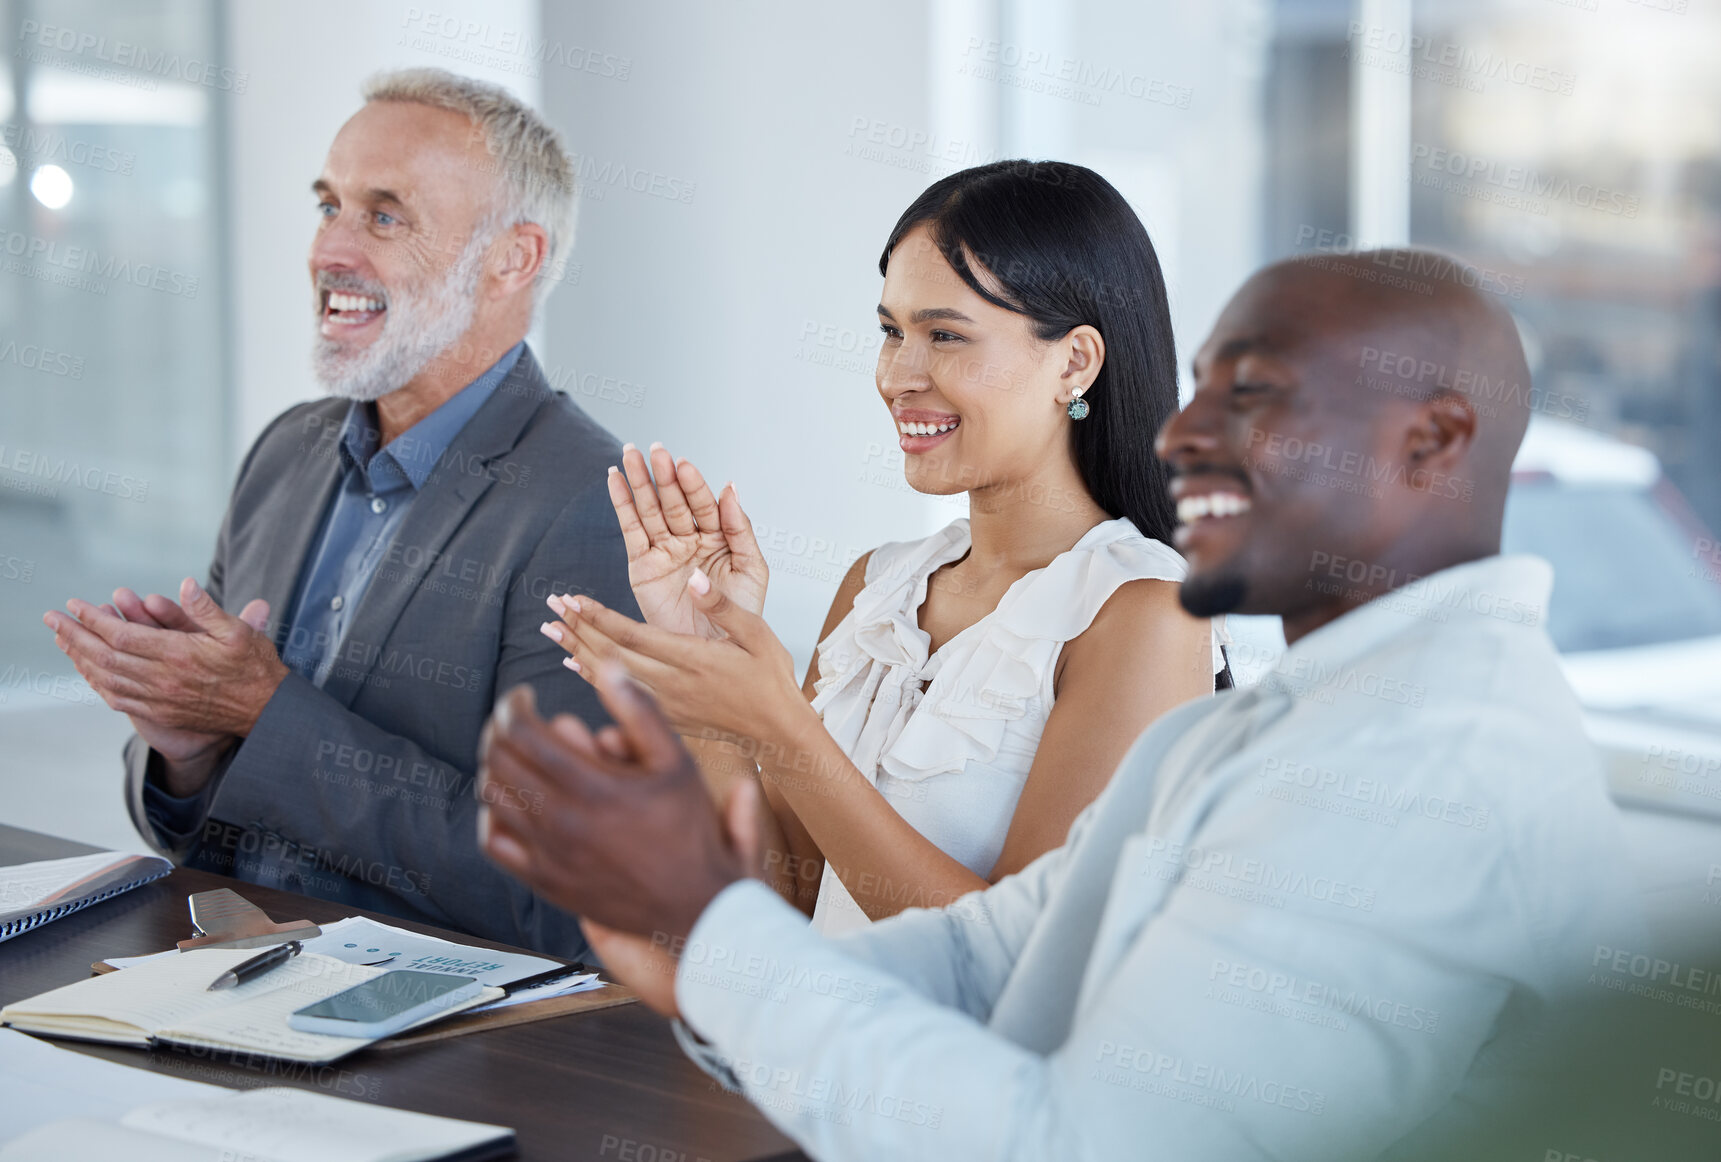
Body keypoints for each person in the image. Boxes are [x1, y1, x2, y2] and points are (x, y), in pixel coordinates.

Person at [476, 249, 1643, 1159]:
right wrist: (700, 934)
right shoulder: (1258, 727)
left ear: (1431, 439)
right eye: (1194, 394)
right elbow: (990, 960)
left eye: (1252, 395)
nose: (1181, 434)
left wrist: (721, 931)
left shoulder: (1416, 765)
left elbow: (1080, 1145)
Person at [539, 160, 1227, 934]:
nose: (898, 375)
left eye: (945, 335)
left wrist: (782, 731)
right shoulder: (879, 587)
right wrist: (709, 681)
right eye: (890, 332)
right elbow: (787, 897)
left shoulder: (1144, 611)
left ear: (1073, 362)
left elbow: (1023, 962)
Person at [41, 68, 636, 957]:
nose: (331, 251)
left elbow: (555, 886)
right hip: (232, 981)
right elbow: (197, 834)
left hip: (444, 1045)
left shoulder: (594, 505)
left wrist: (264, 709)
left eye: (385, 216)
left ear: (513, 259)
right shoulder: (287, 451)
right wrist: (188, 747)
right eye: (330, 207)